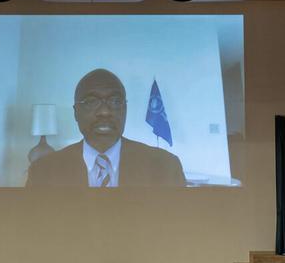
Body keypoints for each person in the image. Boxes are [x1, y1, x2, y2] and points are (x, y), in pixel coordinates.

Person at [26, 68, 185, 187]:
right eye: (91, 101)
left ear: (125, 110)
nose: (104, 111)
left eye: (115, 101)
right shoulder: (43, 172)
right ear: (76, 113)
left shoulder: (166, 167)